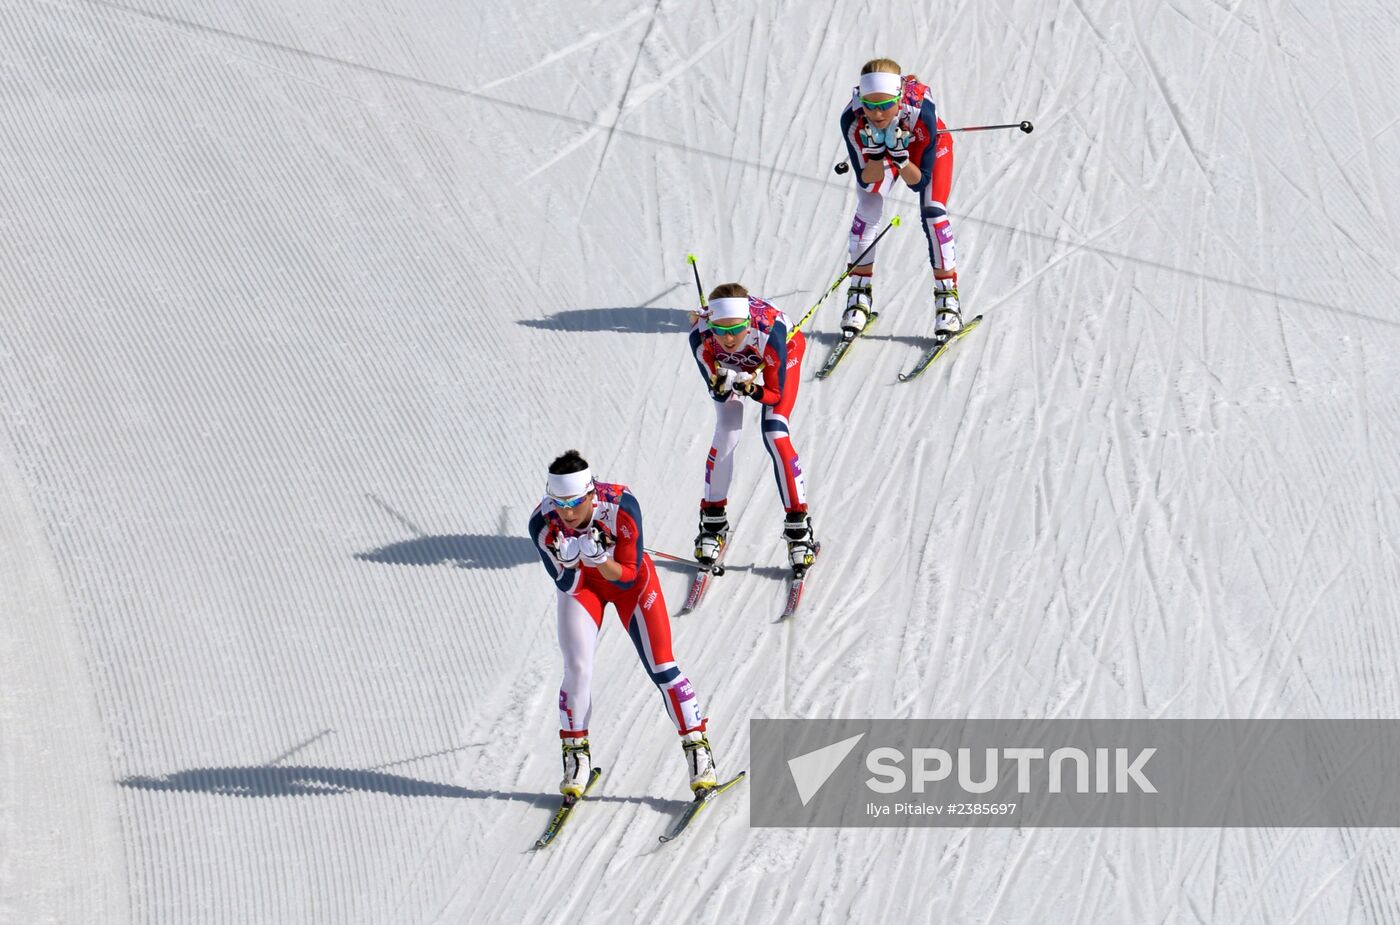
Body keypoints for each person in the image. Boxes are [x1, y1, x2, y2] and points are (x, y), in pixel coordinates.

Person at [527, 450, 718, 797]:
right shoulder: (541, 524)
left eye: (573, 503)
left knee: (662, 665)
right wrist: (571, 563)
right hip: (583, 586)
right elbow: (566, 585)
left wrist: (599, 559)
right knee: (577, 667)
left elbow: (628, 577)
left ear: (590, 493)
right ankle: (576, 758)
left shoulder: (621, 507)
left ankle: (697, 749)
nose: (566, 513)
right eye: (558, 503)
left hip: (629, 583)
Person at [688, 284, 817, 577]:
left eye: (736, 329)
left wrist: (752, 389)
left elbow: (773, 393)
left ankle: (798, 528)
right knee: (727, 429)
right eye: (721, 330)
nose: (729, 337)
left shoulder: (771, 334)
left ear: (748, 322)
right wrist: (721, 385)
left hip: (781, 354)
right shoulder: (700, 336)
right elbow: (718, 391)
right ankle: (712, 521)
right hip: (733, 364)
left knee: (774, 431)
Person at [838, 57, 961, 341]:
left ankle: (948, 300)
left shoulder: (922, 112)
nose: (877, 114)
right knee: (868, 209)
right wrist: (879, 154)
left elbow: (919, 183)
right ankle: (859, 294)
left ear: (898, 97)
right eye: (870, 105)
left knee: (934, 213)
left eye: (884, 105)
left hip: (922, 147)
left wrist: (901, 159)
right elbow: (866, 179)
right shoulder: (852, 120)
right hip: (883, 152)